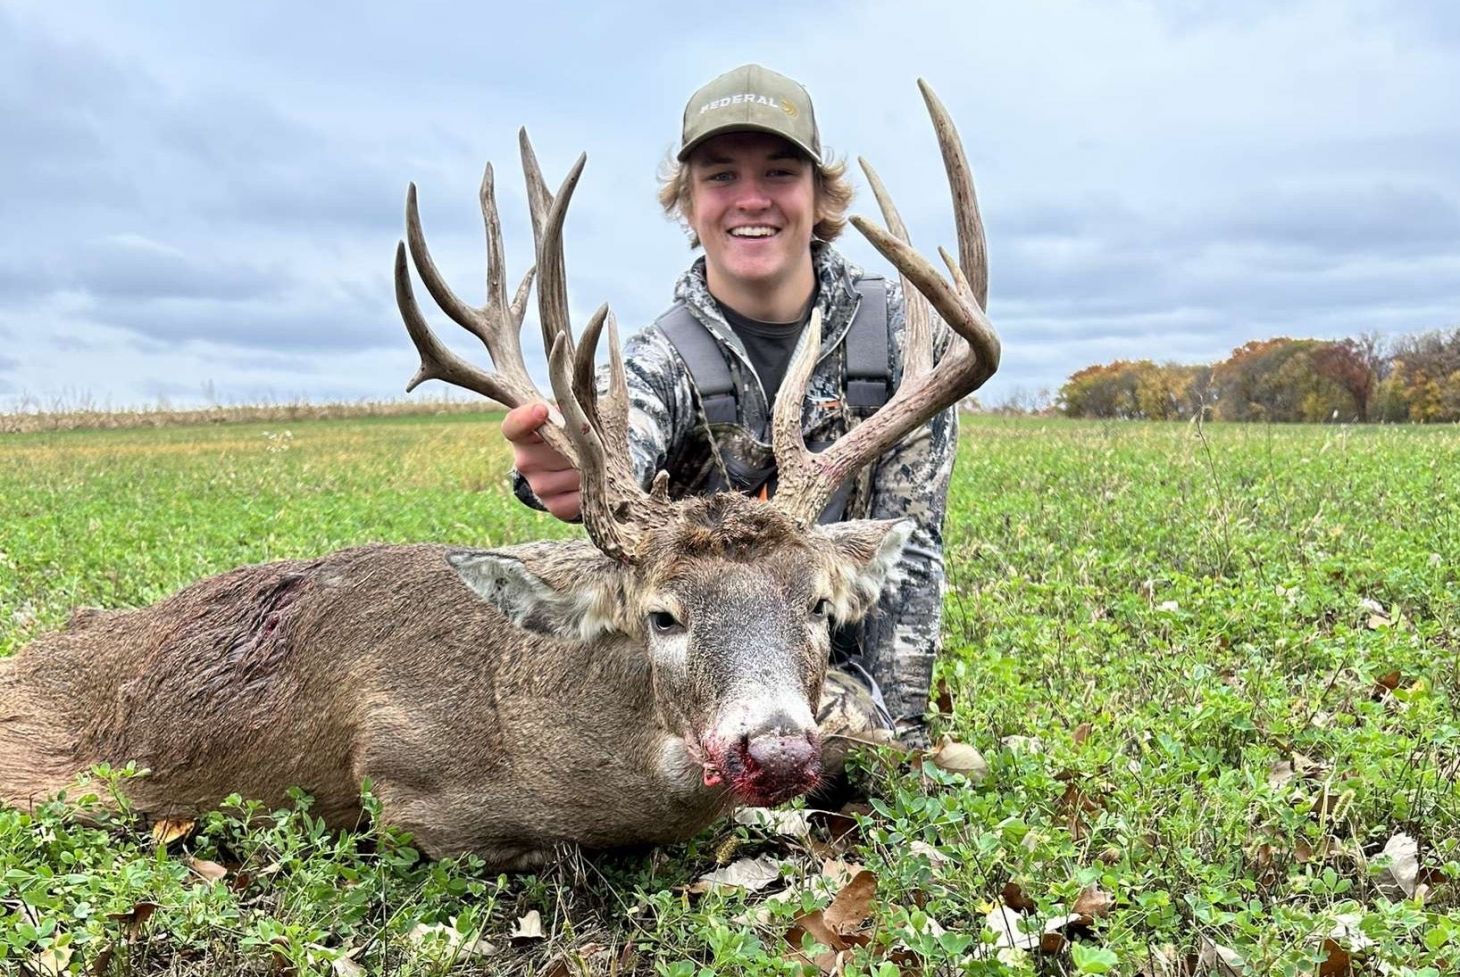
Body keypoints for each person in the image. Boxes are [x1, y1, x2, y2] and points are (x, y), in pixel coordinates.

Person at [503, 64, 956, 749]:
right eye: (720, 176)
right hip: (702, 671)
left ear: (818, 195)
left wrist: (902, 741)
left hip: (834, 663)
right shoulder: (658, 359)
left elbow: (909, 551)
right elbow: (622, 437)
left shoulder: (907, 338)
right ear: (687, 203)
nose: (751, 200)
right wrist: (574, 462)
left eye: (778, 173)